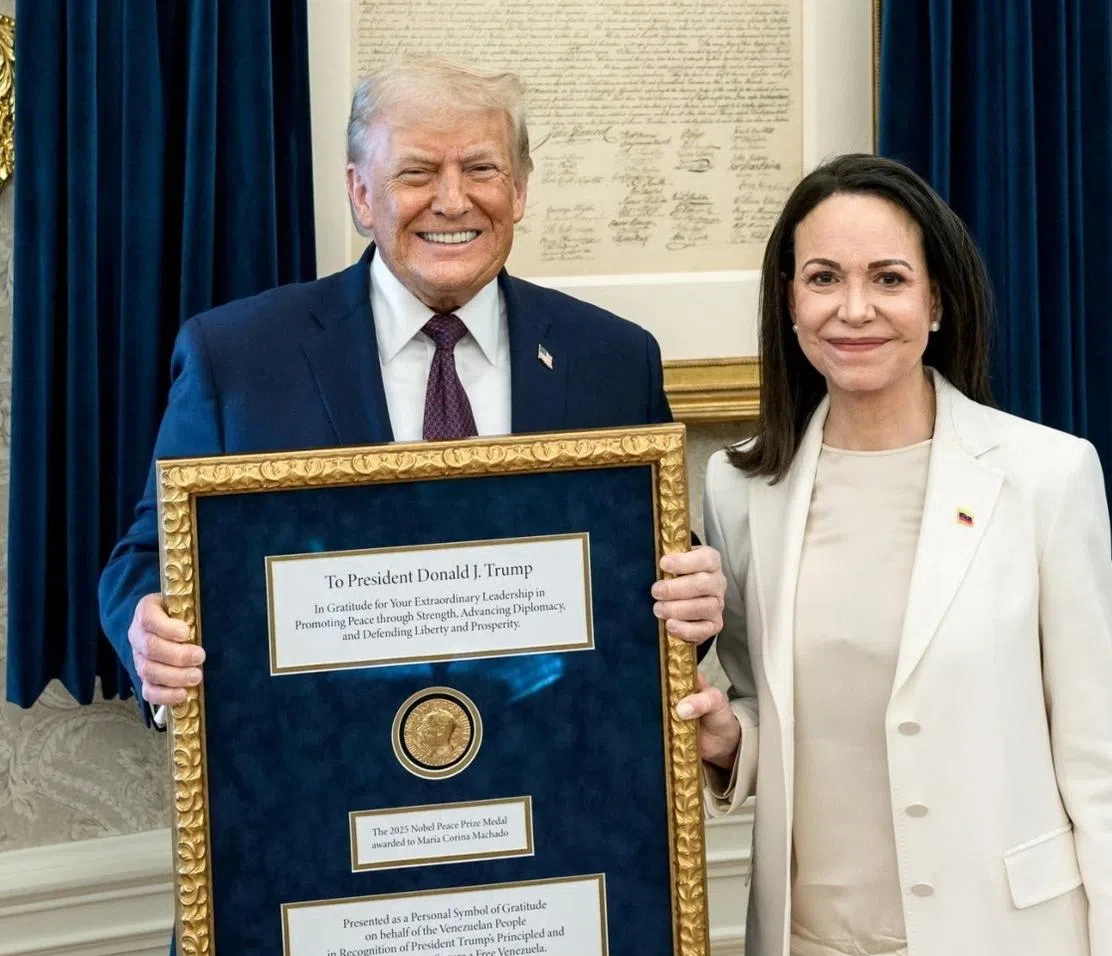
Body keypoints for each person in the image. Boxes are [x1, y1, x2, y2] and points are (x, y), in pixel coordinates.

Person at [677, 153, 1112, 956]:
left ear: (937, 301)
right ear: (789, 305)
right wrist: (726, 736)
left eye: (888, 279)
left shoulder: (1047, 476)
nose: (855, 308)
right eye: (823, 278)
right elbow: (774, 710)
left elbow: (1101, 765)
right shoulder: (738, 492)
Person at [98, 55, 724, 712]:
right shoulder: (237, 359)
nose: (453, 201)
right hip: (320, 769)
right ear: (362, 194)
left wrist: (694, 594)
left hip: (551, 766)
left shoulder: (614, 360)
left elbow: (650, 565)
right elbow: (149, 557)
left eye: (481, 169)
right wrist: (149, 630)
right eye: (417, 172)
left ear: (520, 190)